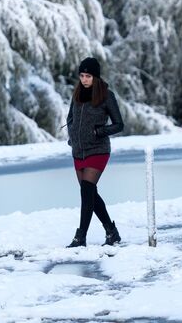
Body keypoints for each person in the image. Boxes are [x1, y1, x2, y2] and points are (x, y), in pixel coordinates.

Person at [65, 57, 124, 247]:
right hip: (78, 151)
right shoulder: (77, 94)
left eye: (88, 76)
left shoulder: (106, 95)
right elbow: (70, 118)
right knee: (89, 193)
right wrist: (73, 136)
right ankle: (111, 231)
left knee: (87, 190)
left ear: (95, 77)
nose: (84, 79)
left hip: (98, 150)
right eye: (82, 75)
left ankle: (80, 236)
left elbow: (118, 125)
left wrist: (99, 131)